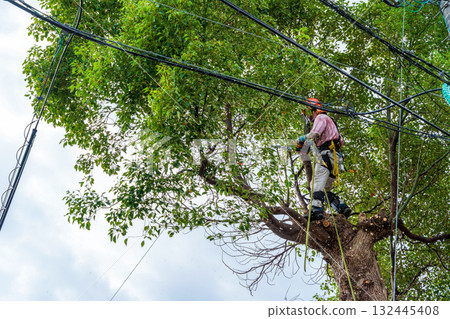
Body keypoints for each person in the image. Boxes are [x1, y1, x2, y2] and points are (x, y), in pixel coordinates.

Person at [297, 98, 351, 221]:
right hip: (336, 159)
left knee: (314, 184)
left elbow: (315, 133)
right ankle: (341, 206)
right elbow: (340, 141)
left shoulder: (321, 118)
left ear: (314, 109)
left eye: (310, 114)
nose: (310, 117)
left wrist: (301, 139)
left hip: (327, 156)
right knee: (324, 190)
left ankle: (316, 210)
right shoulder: (332, 123)